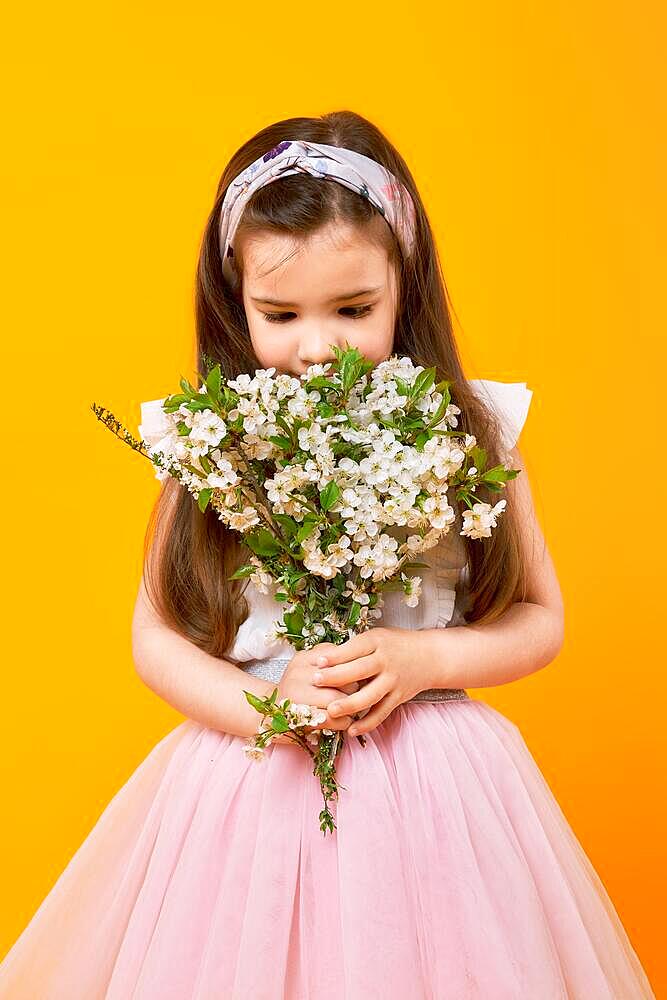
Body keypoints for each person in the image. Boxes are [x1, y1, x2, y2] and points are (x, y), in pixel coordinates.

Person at [0, 110, 656, 999]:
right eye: (279, 313)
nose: (317, 347)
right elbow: (152, 637)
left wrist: (425, 657)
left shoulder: (472, 433)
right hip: (252, 785)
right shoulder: (216, 442)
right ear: (233, 301)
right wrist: (268, 704)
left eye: (354, 309)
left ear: (404, 287)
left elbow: (541, 617)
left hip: (437, 795)